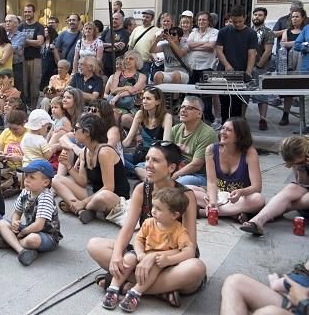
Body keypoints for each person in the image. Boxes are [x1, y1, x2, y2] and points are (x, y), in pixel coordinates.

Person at [87, 142, 206, 308]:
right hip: (144, 251)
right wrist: (116, 256)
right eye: (147, 159)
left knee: (196, 269)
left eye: (155, 161)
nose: (148, 165)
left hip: (173, 258)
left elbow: (190, 247)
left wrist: (154, 258)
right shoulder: (142, 189)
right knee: (94, 245)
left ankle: (126, 286)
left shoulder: (186, 195)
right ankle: (161, 290)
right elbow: (128, 229)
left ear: (171, 167)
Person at [102, 187, 195, 312]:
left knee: (156, 264)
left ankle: (135, 292)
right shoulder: (149, 223)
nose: (153, 211)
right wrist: (140, 254)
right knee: (129, 258)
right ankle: (113, 288)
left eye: (159, 209)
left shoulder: (179, 231)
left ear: (174, 215)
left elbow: (189, 251)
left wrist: (169, 260)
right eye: (153, 207)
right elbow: (139, 240)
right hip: (143, 253)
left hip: (160, 263)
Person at [53, 114, 130, 224]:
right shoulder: (85, 151)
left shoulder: (104, 152)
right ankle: (81, 210)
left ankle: (81, 208)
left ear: (87, 132)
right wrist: (67, 165)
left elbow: (109, 187)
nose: (73, 132)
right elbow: (82, 182)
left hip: (113, 197)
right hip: (95, 194)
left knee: (101, 197)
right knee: (56, 179)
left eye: (76, 129)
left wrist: (83, 202)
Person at [189, 117, 265, 221]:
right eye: (223, 128)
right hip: (218, 194)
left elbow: (257, 187)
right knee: (186, 190)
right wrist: (212, 201)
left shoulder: (250, 152)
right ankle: (232, 213)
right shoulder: (211, 150)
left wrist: (241, 192)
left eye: (229, 130)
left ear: (239, 136)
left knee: (258, 199)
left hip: (239, 199)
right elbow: (211, 182)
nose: (223, 132)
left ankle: (202, 212)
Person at [0, 159, 62, 266]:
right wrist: (14, 222)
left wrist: (22, 233)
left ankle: (10, 242)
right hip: (29, 228)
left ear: (45, 182)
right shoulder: (25, 192)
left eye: (32, 177)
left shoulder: (45, 197)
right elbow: (17, 212)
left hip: (46, 235)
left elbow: (39, 225)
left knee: (32, 240)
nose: (27, 180)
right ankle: (21, 250)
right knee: (1, 223)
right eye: (26, 176)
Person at [240, 135, 309, 236]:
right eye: (293, 164)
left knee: (287, 201)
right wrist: (301, 168)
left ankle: (270, 210)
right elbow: (302, 183)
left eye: (300, 162)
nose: (295, 165)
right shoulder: (297, 158)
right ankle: (256, 221)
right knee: (291, 188)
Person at [215, 5, 257, 121]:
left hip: (241, 72)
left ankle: (234, 128)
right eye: (234, 22)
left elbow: (252, 54)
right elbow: (219, 50)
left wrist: (248, 73)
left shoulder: (251, 33)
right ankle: (224, 125)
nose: (237, 24)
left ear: (245, 18)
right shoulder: (223, 32)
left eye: (240, 21)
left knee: (237, 104)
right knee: (224, 102)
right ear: (230, 19)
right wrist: (227, 65)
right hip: (224, 72)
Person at [124, 86, 173, 180]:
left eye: (148, 99)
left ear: (158, 101)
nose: (144, 101)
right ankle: (137, 171)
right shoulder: (140, 114)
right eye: (143, 98)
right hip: (139, 154)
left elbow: (165, 145)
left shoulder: (166, 117)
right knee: (115, 156)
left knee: (121, 164)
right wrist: (113, 146)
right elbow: (127, 142)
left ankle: (137, 171)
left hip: (153, 158)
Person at [170, 96, 218, 186]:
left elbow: (196, 165)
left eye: (189, 108)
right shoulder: (175, 129)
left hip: (198, 175)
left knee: (179, 183)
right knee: (144, 168)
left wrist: (175, 175)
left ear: (199, 114)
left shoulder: (207, 133)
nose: (183, 110)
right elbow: (166, 153)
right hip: (176, 169)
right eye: (182, 107)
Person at [186, 11, 219, 126]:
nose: (201, 22)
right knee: (191, 94)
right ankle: (191, 118)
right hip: (193, 67)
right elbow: (189, 45)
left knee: (206, 95)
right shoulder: (193, 31)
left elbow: (211, 46)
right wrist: (203, 44)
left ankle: (208, 120)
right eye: (199, 20)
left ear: (209, 21)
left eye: (204, 20)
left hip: (207, 67)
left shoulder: (214, 32)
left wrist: (196, 45)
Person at [280, 8, 308, 125]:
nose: (294, 19)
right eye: (293, 16)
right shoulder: (307, 29)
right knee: (305, 98)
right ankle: (305, 124)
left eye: (297, 16)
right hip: (305, 68)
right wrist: (306, 47)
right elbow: (296, 45)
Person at [250, 7, 274, 130]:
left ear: (264, 17)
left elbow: (268, 51)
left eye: (260, 15)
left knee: (262, 95)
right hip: (247, 67)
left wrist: (259, 65)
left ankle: (263, 120)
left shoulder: (268, 32)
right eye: (255, 15)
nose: (257, 17)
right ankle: (241, 119)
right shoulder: (248, 31)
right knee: (244, 93)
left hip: (261, 68)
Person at [19, 4, 45, 109]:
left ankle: (34, 108)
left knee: (34, 86)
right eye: (25, 12)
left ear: (34, 13)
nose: (27, 14)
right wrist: (30, 42)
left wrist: (25, 41)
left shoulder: (39, 26)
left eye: (29, 12)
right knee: (24, 85)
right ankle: (24, 108)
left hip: (35, 59)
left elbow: (39, 42)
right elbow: (17, 42)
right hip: (23, 59)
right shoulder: (21, 26)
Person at [128, 10, 159, 77]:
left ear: (152, 19)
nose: (144, 19)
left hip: (146, 63)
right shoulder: (136, 29)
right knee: (131, 83)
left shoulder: (157, 30)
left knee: (143, 84)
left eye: (147, 17)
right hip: (134, 61)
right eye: (143, 16)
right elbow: (130, 46)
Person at [101, 11, 130, 77]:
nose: (113, 20)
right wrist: (112, 45)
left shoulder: (125, 34)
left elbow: (118, 48)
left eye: (116, 19)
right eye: (113, 19)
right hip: (104, 65)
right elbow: (98, 44)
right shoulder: (107, 31)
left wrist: (104, 48)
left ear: (122, 20)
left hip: (116, 66)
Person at [5, 14, 27, 99]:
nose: (7, 23)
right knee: (6, 86)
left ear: (16, 24)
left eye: (9, 21)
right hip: (5, 65)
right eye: (6, 21)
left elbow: (14, 48)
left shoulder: (22, 35)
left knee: (18, 87)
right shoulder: (4, 35)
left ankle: (21, 109)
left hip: (16, 65)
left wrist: (5, 48)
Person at [39, 25, 60, 91]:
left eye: (47, 30)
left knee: (51, 86)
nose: (45, 32)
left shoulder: (54, 43)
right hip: (43, 66)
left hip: (51, 67)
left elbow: (57, 56)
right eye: (44, 31)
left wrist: (59, 66)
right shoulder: (42, 43)